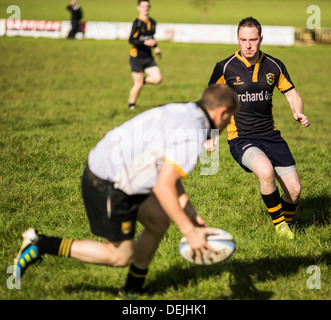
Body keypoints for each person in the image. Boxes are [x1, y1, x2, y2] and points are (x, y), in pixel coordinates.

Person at [13, 84, 239, 294]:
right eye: (230, 118)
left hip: (120, 168)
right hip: (108, 180)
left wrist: (192, 216)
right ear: (222, 113)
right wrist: (189, 233)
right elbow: (163, 186)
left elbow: (170, 174)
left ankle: (133, 290)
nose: (228, 123)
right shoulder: (195, 131)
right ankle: (41, 244)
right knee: (119, 256)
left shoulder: (185, 110)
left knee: (158, 222)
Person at [208, 17, 310, 240]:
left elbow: (291, 93)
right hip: (241, 137)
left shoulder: (274, 65)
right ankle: (281, 228)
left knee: (294, 191)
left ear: (260, 38)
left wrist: (298, 111)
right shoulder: (224, 67)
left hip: (271, 136)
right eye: (243, 39)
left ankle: (285, 223)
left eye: (253, 39)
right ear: (237, 38)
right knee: (265, 172)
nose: (248, 45)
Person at [128, 0, 162, 110]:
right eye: (143, 6)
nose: (145, 8)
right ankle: (131, 105)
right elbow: (131, 40)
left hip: (148, 57)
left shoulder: (152, 22)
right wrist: (144, 42)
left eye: (147, 6)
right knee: (138, 85)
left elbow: (151, 38)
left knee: (157, 79)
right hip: (136, 57)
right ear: (138, 8)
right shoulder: (137, 23)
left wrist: (156, 48)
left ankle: (141, 80)